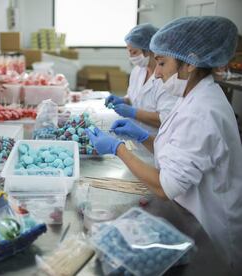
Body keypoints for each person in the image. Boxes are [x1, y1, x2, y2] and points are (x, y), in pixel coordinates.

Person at [87, 16, 242, 273]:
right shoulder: (192, 95)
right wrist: (143, 137)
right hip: (189, 215)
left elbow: (164, 186)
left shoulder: (202, 112)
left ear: (190, 62)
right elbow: (174, 152)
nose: (156, 73)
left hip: (210, 231)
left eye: (162, 63)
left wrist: (118, 149)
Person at [105, 23, 178, 134]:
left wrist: (133, 112)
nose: (131, 57)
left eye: (134, 52)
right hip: (134, 134)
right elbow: (134, 98)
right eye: (129, 51)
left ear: (150, 50)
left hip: (154, 141)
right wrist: (123, 100)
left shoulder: (166, 78)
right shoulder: (138, 71)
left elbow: (166, 120)